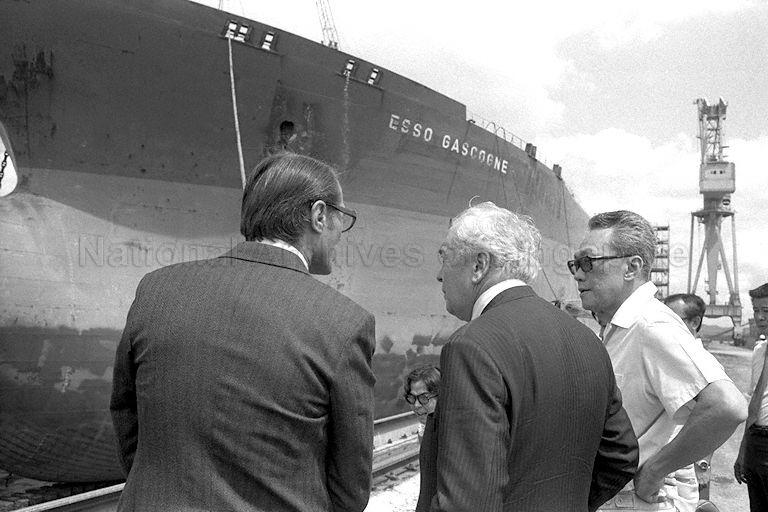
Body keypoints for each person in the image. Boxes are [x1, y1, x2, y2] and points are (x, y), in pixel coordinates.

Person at [110, 153, 376, 512]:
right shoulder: (345, 322)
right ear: (318, 215)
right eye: (340, 219)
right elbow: (350, 488)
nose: (340, 234)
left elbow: (127, 417)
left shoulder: (156, 290)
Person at [431, 201, 638, 512]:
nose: (438, 275)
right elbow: (621, 457)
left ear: (479, 265)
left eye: (443, 257)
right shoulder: (587, 340)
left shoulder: (471, 345)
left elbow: (466, 502)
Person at [571, 210, 747, 512]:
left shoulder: (650, 325)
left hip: (637, 500)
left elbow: (726, 406)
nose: (577, 273)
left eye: (589, 262)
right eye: (575, 263)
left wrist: (655, 470)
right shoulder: (621, 328)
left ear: (632, 267)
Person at [663, 293, 717, 505]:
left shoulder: (702, 361)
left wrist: (704, 464)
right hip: (669, 462)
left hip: (691, 466)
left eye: (672, 320)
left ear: (695, 323)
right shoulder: (673, 356)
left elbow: (716, 415)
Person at [734, 282, 768, 511]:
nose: (760, 317)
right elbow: (753, 404)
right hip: (757, 442)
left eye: (766, 311)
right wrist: (743, 451)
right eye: (756, 310)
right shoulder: (759, 352)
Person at [403, 366, 441, 512]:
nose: (416, 405)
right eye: (412, 398)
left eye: (424, 398)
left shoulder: (448, 434)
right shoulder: (424, 428)